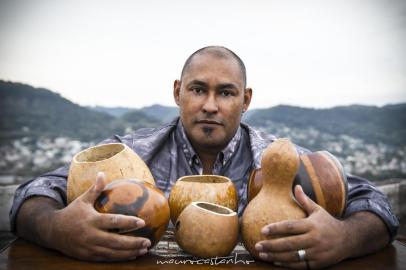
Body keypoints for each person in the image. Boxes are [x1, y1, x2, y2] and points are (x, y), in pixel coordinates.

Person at [10, 46, 398, 269]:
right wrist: (55, 229)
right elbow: (39, 189)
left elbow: (373, 202)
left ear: (245, 101)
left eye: (227, 93)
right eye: (198, 89)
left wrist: (345, 237)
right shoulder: (131, 154)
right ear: (178, 91)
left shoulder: (279, 160)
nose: (210, 105)